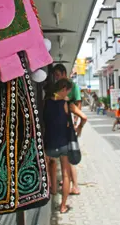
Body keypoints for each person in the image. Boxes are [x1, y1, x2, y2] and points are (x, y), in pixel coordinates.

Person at [43, 78, 87, 214]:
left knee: (50, 167)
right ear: (63, 89)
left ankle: (53, 192)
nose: (68, 93)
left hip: (49, 144)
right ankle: (62, 206)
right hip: (64, 145)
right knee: (66, 175)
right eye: (68, 91)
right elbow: (84, 117)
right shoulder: (67, 104)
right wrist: (79, 127)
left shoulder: (46, 102)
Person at [52, 64, 81, 195]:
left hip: (69, 126)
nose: (56, 78)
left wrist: (76, 122)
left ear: (64, 73)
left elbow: (78, 104)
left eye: (58, 75)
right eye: (54, 76)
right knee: (66, 158)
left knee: (69, 157)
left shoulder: (72, 87)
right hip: (63, 128)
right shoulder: (58, 89)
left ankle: (74, 185)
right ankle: (69, 181)